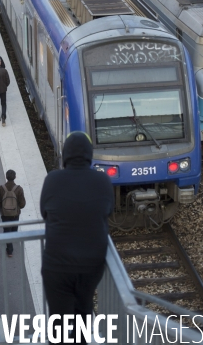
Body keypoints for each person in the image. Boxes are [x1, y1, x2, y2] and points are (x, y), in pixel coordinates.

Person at [40, 132, 115, 344]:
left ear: (65, 155)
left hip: (57, 265)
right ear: (89, 155)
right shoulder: (102, 180)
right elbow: (107, 211)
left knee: (58, 320)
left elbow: (45, 213)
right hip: (90, 265)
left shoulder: (53, 179)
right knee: (83, 312)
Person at [0, 170, 26, 258]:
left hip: (4, 214)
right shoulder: (19, 189)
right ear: (15, 177)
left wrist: (3, 206)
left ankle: (9, 250)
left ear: (6, 177)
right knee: (14, 229)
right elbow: (22, 204)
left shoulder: (1, 188)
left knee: (7, 230)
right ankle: (12, 239)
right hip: (15, 213)